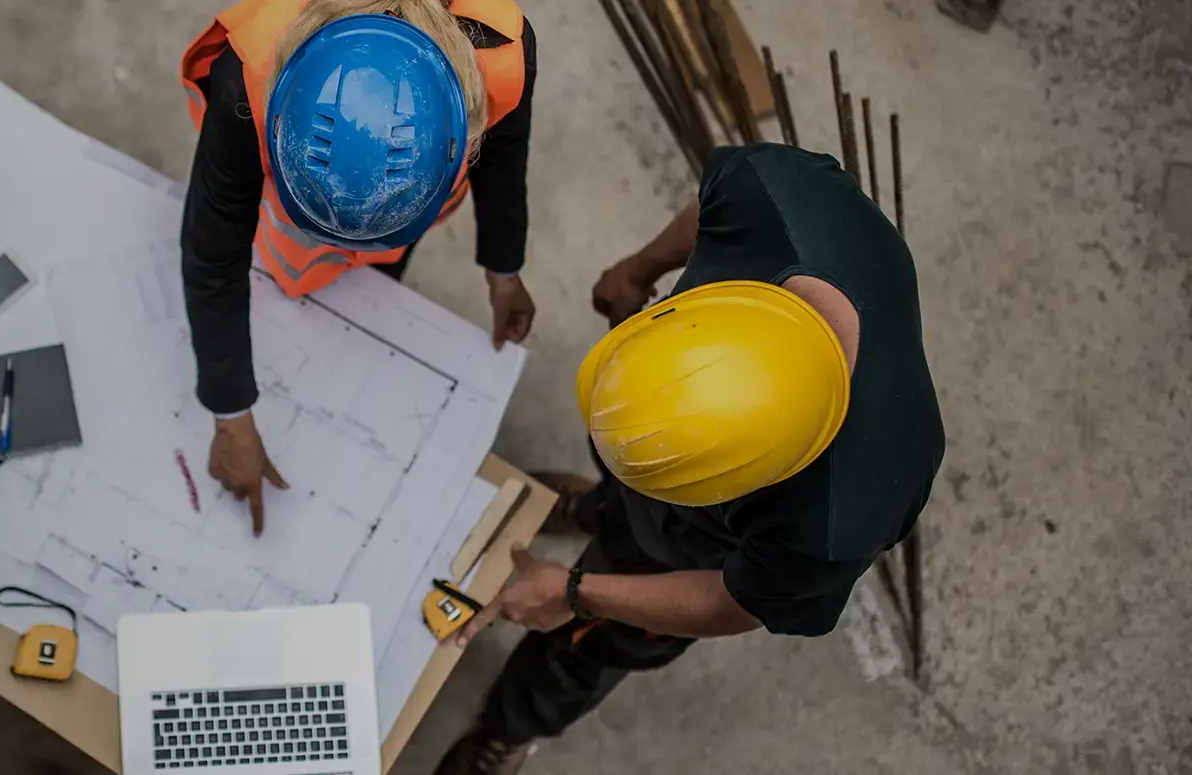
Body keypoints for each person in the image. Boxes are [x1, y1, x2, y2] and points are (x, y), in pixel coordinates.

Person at [433, 143, 946, 775]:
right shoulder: (773, 197)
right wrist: (640, 267)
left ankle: (511, 726)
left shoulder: (842, 514)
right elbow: (709, 214)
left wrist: (575, 591)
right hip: (692, 439)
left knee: (584, 647)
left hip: (700, 552)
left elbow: (730, 602)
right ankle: (596, 509)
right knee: (626, 491)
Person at [179, 0, 541, 534]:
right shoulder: (249, 75)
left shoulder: (502, 54)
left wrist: (503, 267)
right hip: (285, 241)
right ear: (279, 115)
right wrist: (231, 415)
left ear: (461, 138)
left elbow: (506, 155)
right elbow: (214, 253)